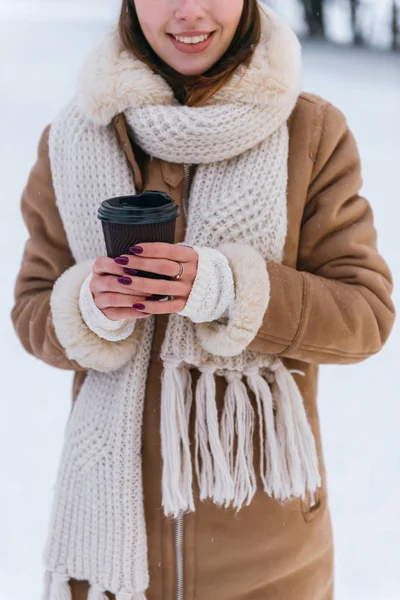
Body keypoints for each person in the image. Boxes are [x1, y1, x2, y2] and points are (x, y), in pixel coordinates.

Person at [11, 1, 395, 599]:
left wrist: (231, 291)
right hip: (108, 556)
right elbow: (33, 308)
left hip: (268, 559)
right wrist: (88, 306)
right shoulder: (71, 139)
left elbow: (365, 315)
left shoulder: (310, 132)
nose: (189, 12)